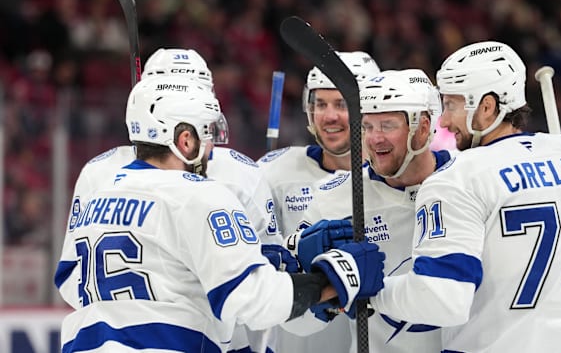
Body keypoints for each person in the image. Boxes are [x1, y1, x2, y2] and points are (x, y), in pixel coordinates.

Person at [53, 74, 385, 352]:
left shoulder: (99, 191)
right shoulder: (201, 194)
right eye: (207, 133)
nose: (212, 147)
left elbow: (69, 282)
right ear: (185, 140)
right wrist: (334, 279)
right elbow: (254, 300)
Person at [368, 41, 561, 352]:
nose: (444, 121)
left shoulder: (456, 177)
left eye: (452, 105)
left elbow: (442, 297)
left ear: (487, 107)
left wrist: (369, 290)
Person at [62, 48, 282, 352]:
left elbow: (270, 263)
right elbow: (75, 274)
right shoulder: (98, 172)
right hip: (185, 335)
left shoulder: (242, 172)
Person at [285, 69, 451, 352]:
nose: (374, 139)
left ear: (423, 126)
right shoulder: (336, 198)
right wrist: (324, 292)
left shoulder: (469, 183)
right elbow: (294, 322)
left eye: (387, 125)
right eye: (367, 126)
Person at [257, 51, 379, 353]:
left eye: (341, 104)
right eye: (320, 104)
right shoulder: (271, 171)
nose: (329, 116)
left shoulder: (395, 181)